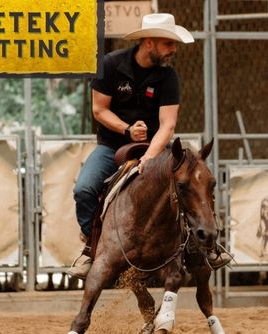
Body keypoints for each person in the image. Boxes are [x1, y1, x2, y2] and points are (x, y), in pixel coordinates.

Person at [68, 13, 231, 280]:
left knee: (196, 181)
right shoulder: (110, 65)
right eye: (168, 44)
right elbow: (99, 110)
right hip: (112, 146)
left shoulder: (168, 77)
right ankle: (91, 248)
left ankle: (207, 249)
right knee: (84, 190)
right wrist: (127, 129)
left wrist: (150, 157)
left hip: (157, 149)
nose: (173, 50)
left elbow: (168, 125)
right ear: (149, 43)